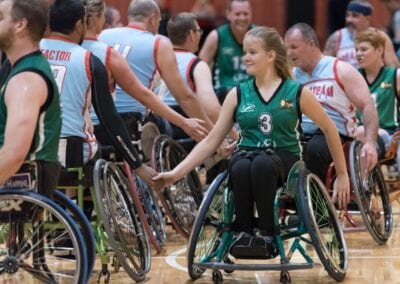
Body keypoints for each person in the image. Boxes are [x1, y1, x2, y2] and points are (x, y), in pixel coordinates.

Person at [154, 26, 350, 258]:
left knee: (261, 165)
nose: (245, 57)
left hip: (285, 159)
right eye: (245, 52)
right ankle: (243, 233)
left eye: (252, 52)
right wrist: (175, 174)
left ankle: (269, 233)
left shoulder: (295, 91)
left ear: (270, 55)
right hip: (248, 155)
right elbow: (211, 140)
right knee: (239, 164)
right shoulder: (238, 93)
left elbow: (329, 129)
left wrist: (343, 174)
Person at [40, 0, 156, 186]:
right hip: (70, 154)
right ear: (80, 24)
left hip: (27, 152)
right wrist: (137, 165)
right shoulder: (89, 60)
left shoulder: (29, 53)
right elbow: (109, 118)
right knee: (95, 145)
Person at [81, 0, 207, 146]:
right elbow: (182, 98)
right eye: (159, 22)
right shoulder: (160, 43)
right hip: (132, 121)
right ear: (153, 18)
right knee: (166, 128)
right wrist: (207, 131)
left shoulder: (102, 36)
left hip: (93, 119)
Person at [285, 23, 378, 185]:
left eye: (294, 47)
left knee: (314, 150)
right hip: (300, 133)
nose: (289, 53)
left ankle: (315, 204)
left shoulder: (340, 69)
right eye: (287, 48)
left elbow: (367, 105)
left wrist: (370, 143)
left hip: (335, 134)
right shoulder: (291, 77)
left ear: (311, 44)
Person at [0, 0, 61, 195]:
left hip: (23, 179)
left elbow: (14, 154)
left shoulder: (26, 80)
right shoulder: (18, 69)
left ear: (20, 25)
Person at [355, 27, 400, 157]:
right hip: (359, 135)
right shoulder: (352, 77)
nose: (358, 53)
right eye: (356, 50)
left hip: (390, 135)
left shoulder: (394, 75)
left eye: (363, 49)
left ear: (379, 50)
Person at [199, 0, 254, 103]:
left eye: (245, 14)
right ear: (228, 14)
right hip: (224, 93)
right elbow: (198, 68)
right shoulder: (216, 36)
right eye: (237, 14)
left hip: (254, 93)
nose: (242, 18)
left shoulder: (260, 36)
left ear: (251, 14)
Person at [323, 0, 399, 68]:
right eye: (347, 15)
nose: (349, 20)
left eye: (355, 16)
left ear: (367, 19)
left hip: (372, 82)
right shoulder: (336, 37)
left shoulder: (380, 37)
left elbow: (393, 68)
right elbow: (325, 67)